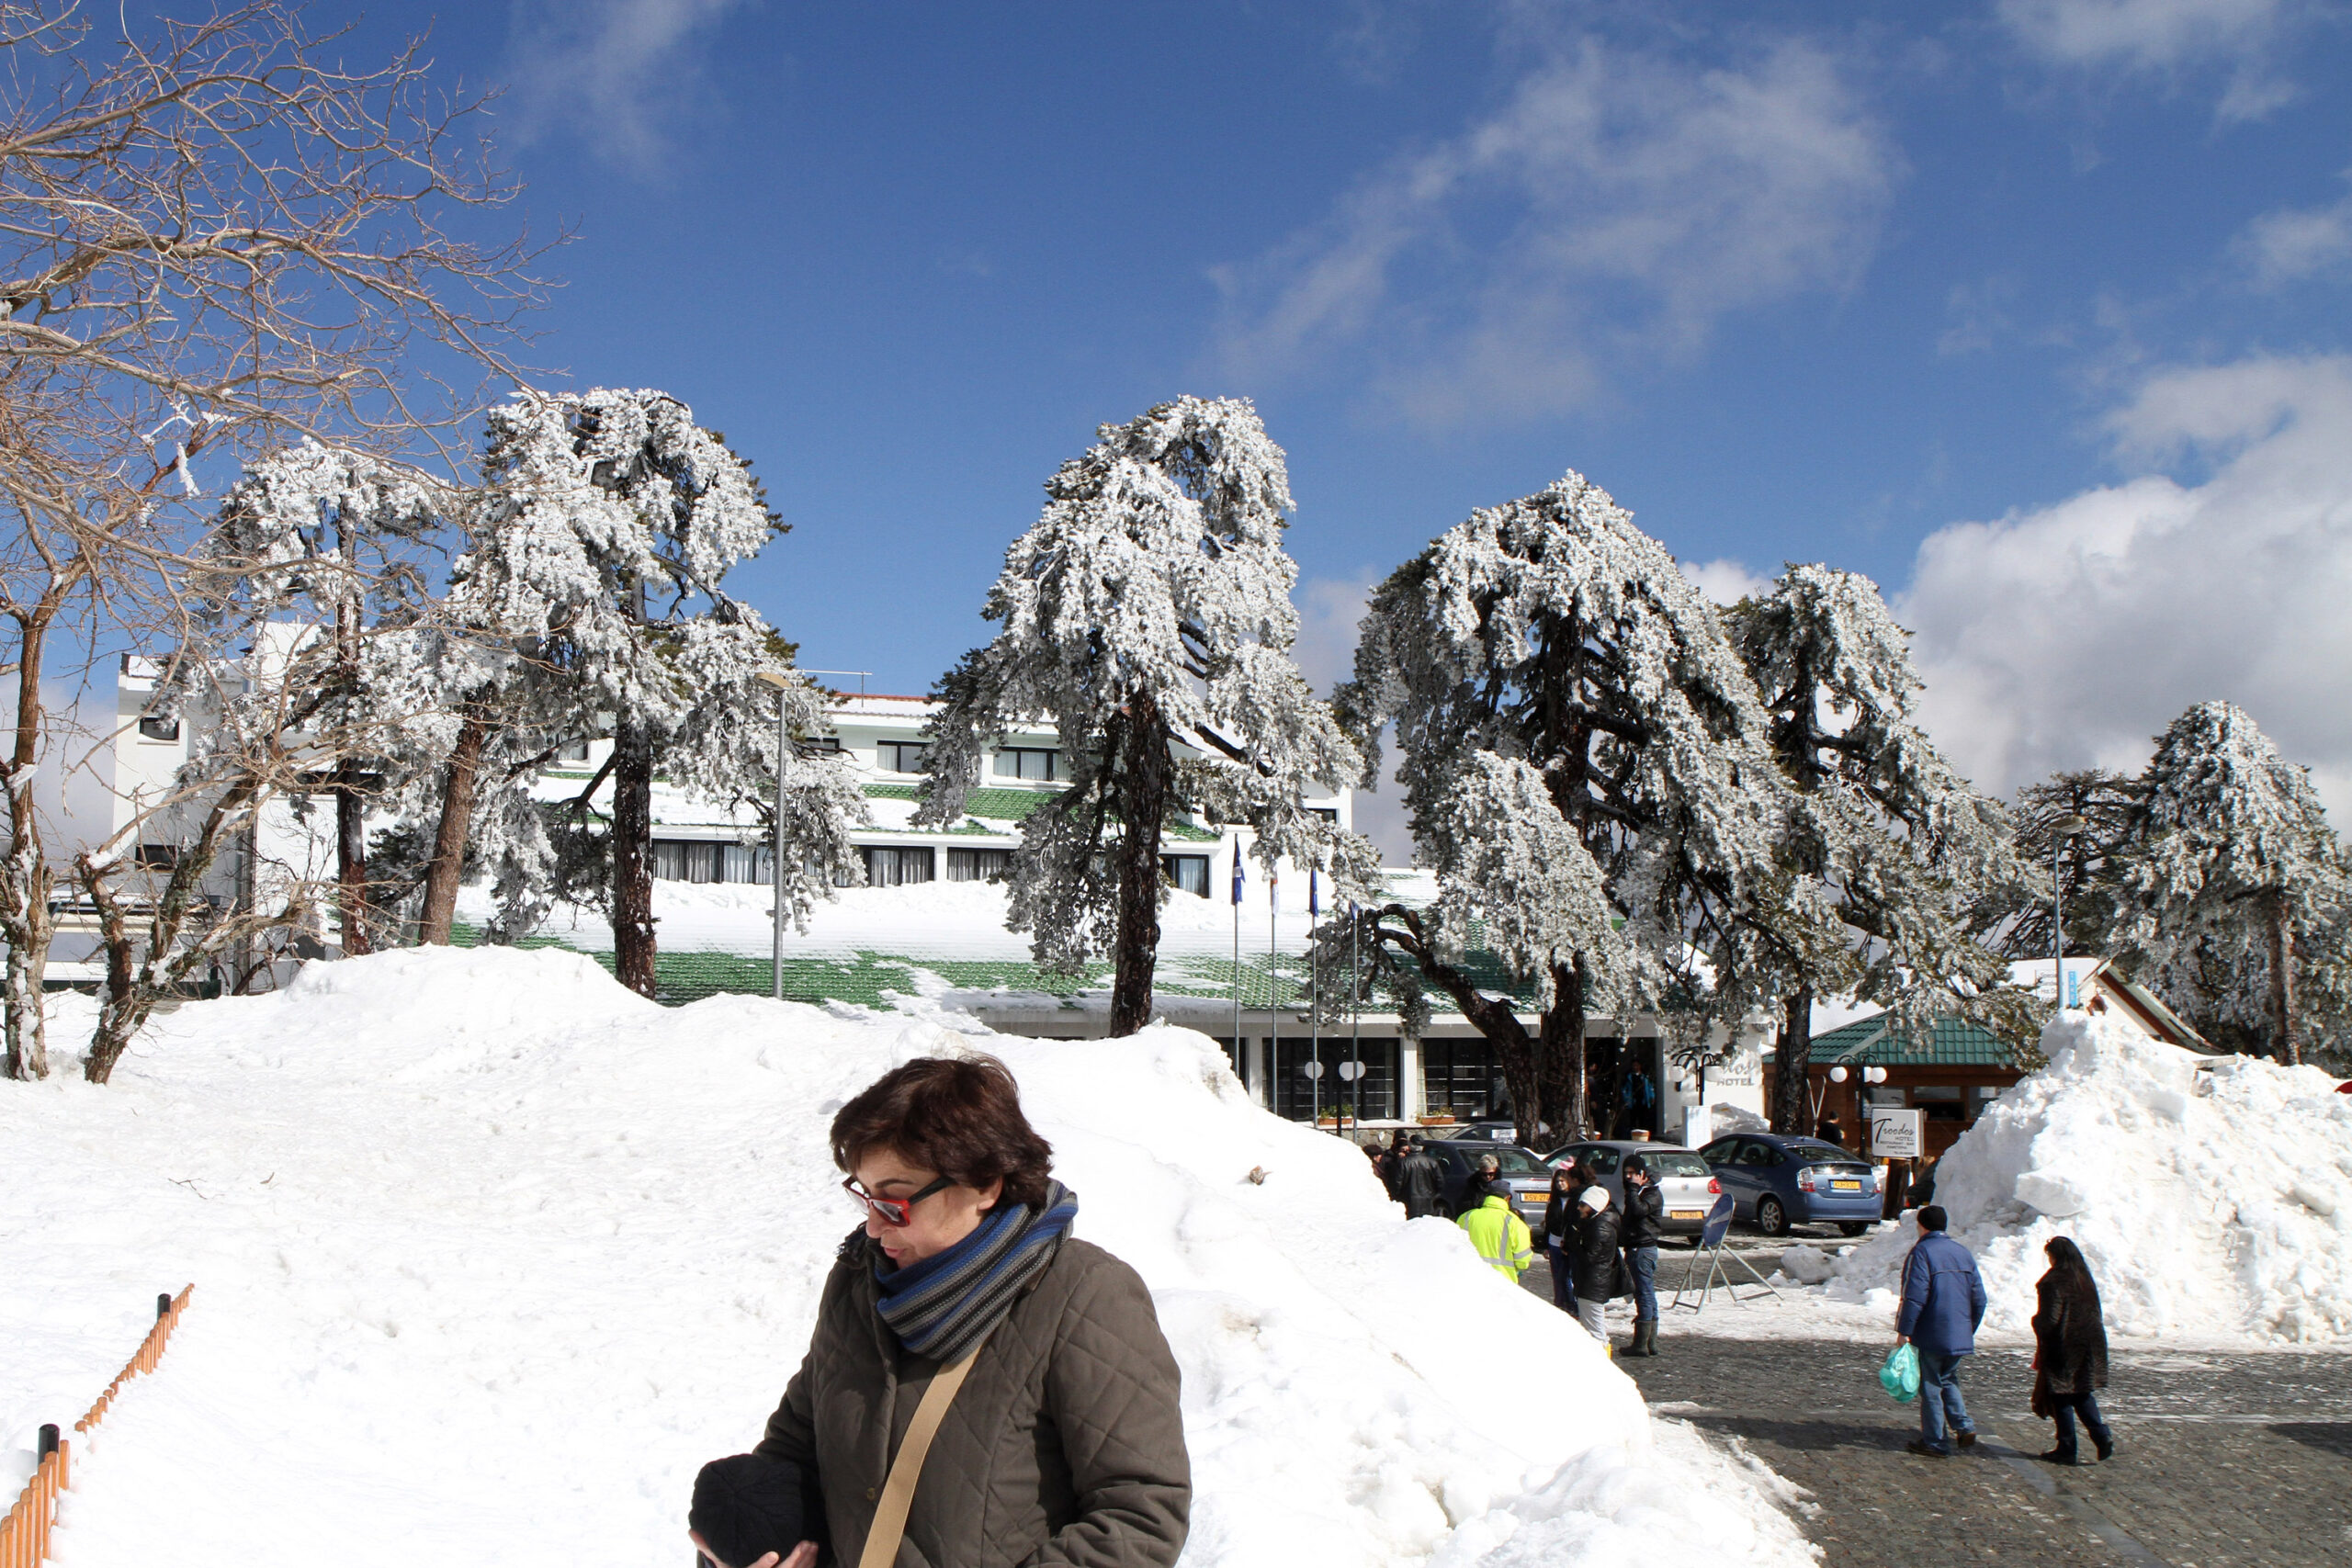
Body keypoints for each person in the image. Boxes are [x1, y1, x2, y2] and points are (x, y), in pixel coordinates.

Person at [709, 1055, 1191, 1568]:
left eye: (894, 1202)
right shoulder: (859, 1284)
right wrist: (754, 1543)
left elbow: (1140, 1513)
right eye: (864, 1197)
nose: (873, 1227)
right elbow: (795, 1451)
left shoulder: (1085, 1294)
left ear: (984, 1184)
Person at [1895, 1204, 1988, 1459]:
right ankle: (1964, 1425)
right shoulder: (1963, 1253)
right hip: (1958, 1332)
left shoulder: (1922, 1252)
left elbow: (1915, 1296)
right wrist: (1968, 1328)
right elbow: (1979, 1298)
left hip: (1932, 1331)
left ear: (1922, 1225)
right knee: (1948, 1378)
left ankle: (1935, 1441)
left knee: (1931, 1386)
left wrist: (1904, 1330)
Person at [2031, 1237, 2116, 1465]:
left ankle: (2067, 1447)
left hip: (2064, 1347)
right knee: (2082, 1392)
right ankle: (2101, 1434)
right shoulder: (2084, 1279)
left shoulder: (2052, 1282)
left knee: (2061, 1397)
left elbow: (2049, 1320)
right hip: (2091, 1346)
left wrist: (2036, 1322)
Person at [1618, 1156, 1664, 1358]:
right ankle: (1649, 1343)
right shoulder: (1638, 1192)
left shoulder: (1651, 1193)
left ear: (1642, 1174)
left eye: (1633, 1174)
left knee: (1644, 1294)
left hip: (1643, 1248)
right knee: (1645, 1294)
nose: (1629, 1177)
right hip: (1637, 1247)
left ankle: (1642, 1344)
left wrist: (1634, 1190)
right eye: (1626, 1173)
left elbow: (1638, 1211)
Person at [1567, 1185, 1623, 1347]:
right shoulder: (1596, 1223)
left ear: (1594, 1206)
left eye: (1582, 1205)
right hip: (1592, 1283)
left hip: (1593, 1284)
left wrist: (1574, 1243)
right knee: (1591, 1327)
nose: (1579, 1208)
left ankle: (1603, 1363)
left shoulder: (1600, 1227)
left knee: (1595, 1331)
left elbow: (1589, 1257)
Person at [1456, 1179, 1535, 1282]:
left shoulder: (1466, 1217)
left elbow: (1455, 1248)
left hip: (1471, 1279)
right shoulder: (1515, 1223)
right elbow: (1523, 1261)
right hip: (1503, 1283)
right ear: (1507, 1198)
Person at [1539, 1158, 1583, 1311]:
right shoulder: (1554, 1201)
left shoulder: (1575, 1199)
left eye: (1563, 1181)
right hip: (1554, 1243)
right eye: (1557, 1182)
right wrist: (1545, 1246)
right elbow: (1548, 1223)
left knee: (1569, 1277)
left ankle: (1572, 1305)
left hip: (1570, 1244)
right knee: (1558, 1277)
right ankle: (1559, 1304)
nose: (1560, 1184)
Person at [1394, 1135, 1444, 1219]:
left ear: (1410, 1146)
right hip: (1428, 1199)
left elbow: (1397, 1183)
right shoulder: (1431, 1162)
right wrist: (1435, 1194)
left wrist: (1397, 1196)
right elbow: (1440, 1181)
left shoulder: (1403, 1162)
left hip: (1409, 1200)